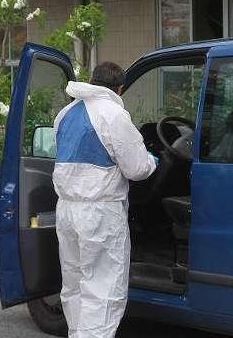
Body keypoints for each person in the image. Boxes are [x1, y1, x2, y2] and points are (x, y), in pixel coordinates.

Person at [53, 61, 157, 338]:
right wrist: (152, 161)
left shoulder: (65, 114)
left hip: (66, 211)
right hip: (100, 213)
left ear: (92, 80)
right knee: (103, 289)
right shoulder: (113, 114)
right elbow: (136, 169)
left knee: (74, 285)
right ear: (119, 88)